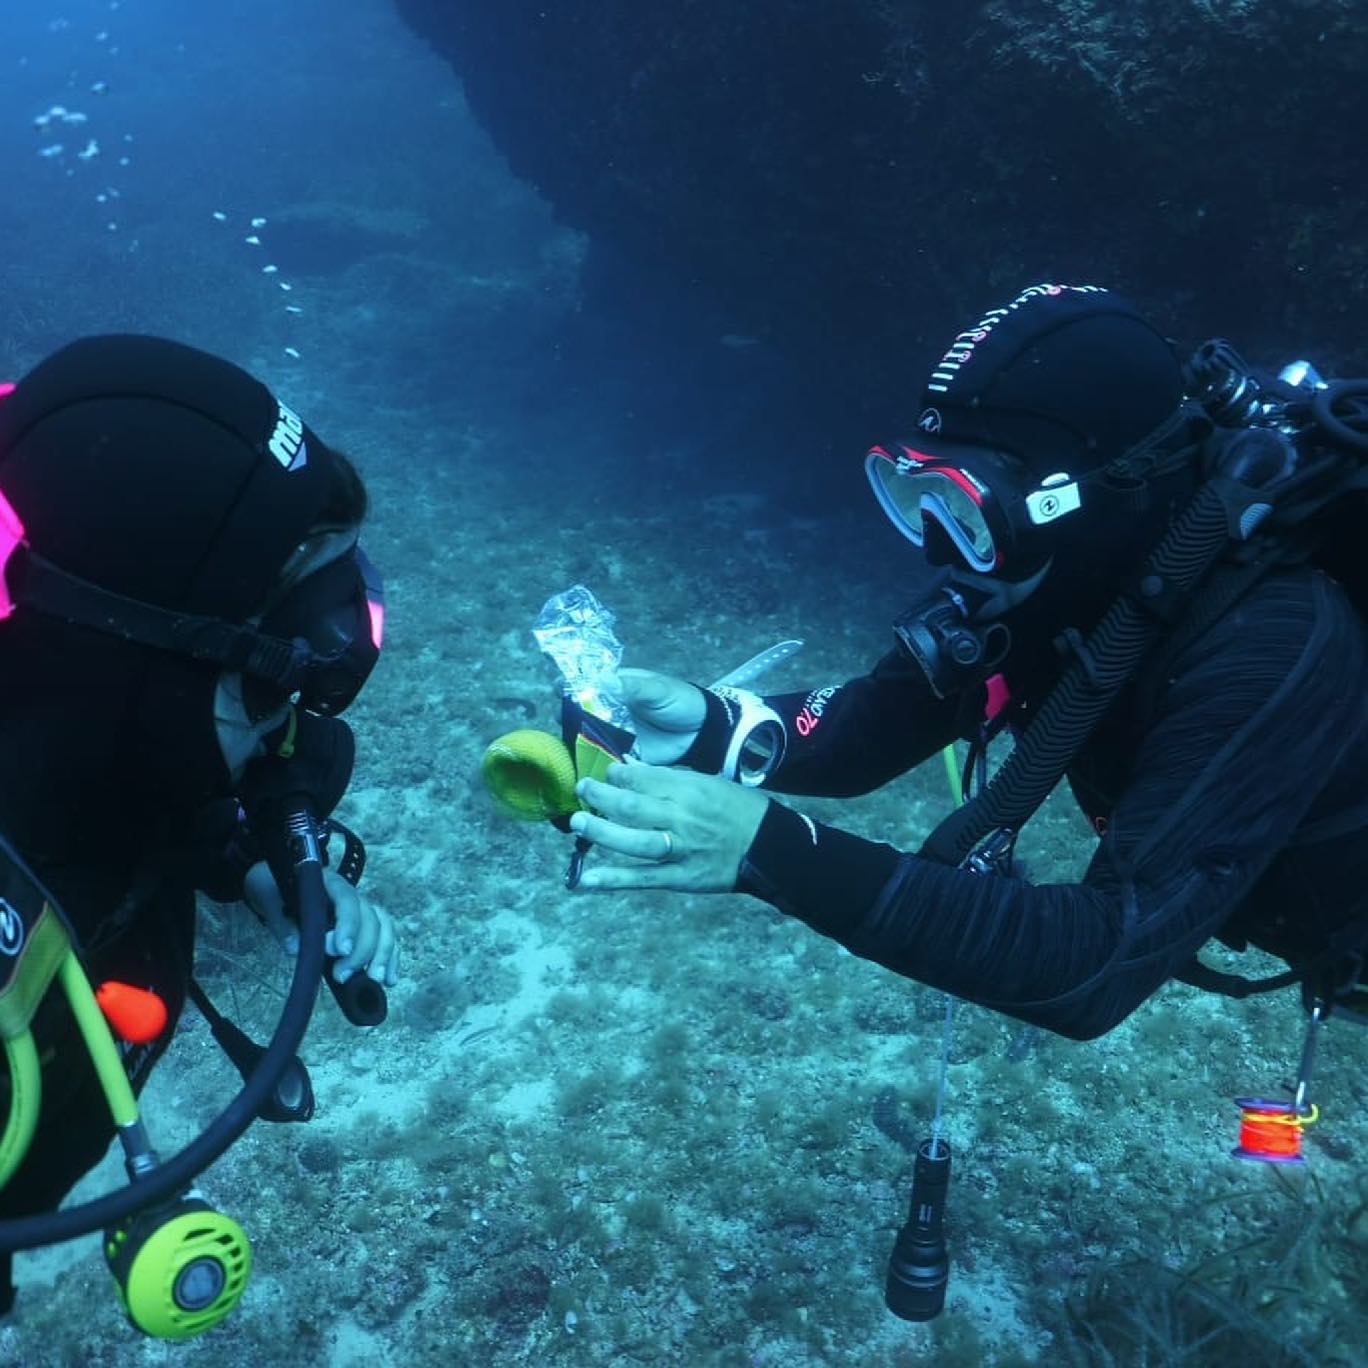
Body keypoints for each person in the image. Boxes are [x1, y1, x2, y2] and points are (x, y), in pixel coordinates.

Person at [564, 283, 1368, 1043]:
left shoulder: (1272, 644)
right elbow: (871, 729)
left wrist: (765, 847)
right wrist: (708, 726)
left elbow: (1097, 964)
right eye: (920, 499)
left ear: (1092, 498)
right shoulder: (1066, 578)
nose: (945, 551)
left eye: (970, 507)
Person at [0, 336, 398, 1332]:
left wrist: (252, 863)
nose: (299, 709)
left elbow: (149, 782)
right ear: (126, 660)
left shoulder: (79, 752)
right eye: (277, 672)